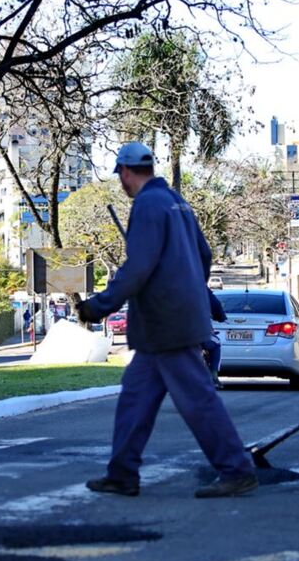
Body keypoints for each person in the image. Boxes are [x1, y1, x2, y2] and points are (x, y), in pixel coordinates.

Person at [77, 142, 258, 499]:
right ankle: (122, 473)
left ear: (125, 172)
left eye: (121, 177)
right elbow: (203, 255)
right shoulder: (177, 201)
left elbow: (138, 268)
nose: (122, 184)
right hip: (168, 322)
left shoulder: (147, 204)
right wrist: (189, 285)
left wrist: (100, 305)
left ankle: (237, 469)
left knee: (198, 400)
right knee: (135, 399)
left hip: (166, 322)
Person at [204, 290, 226, 390]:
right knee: (216, 343)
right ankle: (214, 376)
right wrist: (221, 317)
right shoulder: (201, 289)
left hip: (169, 334)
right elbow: (217, 308)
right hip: (197, 335)